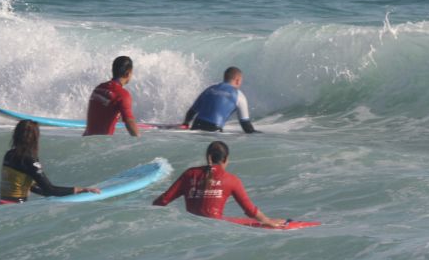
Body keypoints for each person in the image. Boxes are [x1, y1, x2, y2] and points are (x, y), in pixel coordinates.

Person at [151, 140, 285, 227]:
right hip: (214, 231)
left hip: (190, 228)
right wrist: (267, 221)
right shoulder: (231, 180)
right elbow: (250, 210)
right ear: (226, 159)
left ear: (207, 157)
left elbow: (163, 200)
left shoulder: (190, 174)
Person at [0, 120, 99, 204]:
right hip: (16, 205)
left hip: (2, 203)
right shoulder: (29, 159)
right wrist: (79, 190)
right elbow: (49, 190)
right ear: (35, 138)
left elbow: (32, 187)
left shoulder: (9, 155)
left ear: (16, 135)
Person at [182, 66, 259, 133]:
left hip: (196, 126)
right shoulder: (239, 95)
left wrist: (185, 124)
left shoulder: (210, 89)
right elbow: (246, 126)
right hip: (214, 130)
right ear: (238, 80)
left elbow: (191, 112)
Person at [84, 55, 139, 137]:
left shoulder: (98, 88)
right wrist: (140, 141)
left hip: (85, 140)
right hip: (102, 143)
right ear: (128, 73)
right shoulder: (122, 94)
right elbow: (129, 121)